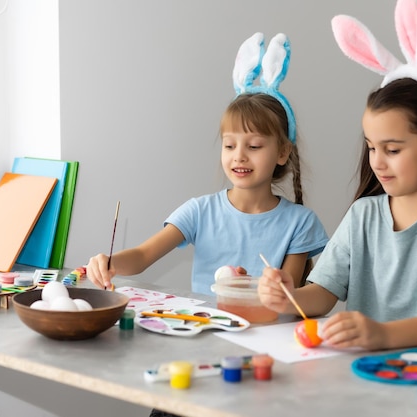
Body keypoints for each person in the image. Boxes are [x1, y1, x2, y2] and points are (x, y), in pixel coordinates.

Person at [258, 0, 417, 351]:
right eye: (372, 147)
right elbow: (323, 294)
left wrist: (384, 334)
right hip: (371, 382)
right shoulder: (363, 216)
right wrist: (289, 297)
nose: (377, 161)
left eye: (392, 150)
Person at [86, 32, 328, 296]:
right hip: (210, 332)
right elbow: (143, 255)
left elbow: (287, 293)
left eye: (254, 146)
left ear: (282, 152)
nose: (239, 156)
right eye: (229, 145)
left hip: (267, 334)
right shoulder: (199, 212)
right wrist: (109, 263)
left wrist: (254, 286)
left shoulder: (300, 222)